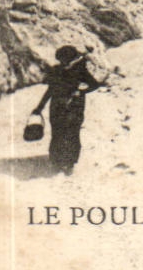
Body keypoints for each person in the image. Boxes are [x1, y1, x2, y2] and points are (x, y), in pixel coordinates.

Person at [30, 46, 105, 175]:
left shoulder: (80, 70)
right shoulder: (56, 70)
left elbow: (94, 84)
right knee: (57, 133)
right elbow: (50, 90)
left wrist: (81, 91)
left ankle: (70, 162)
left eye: (64, 59)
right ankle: (56, 161)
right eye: (61, 60)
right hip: (57, 106)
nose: (62, 62)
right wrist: (39, 107)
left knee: (72, 133)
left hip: (74, 107)